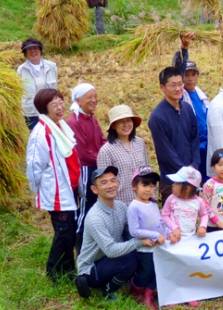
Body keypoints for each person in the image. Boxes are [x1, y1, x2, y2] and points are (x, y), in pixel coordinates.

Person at [75, 166, 154, 300]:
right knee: (130, 259)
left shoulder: (120, 206)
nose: (110, 185)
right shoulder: (95, 218)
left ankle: (132, 282)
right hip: (93, 265)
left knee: (139, 252)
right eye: (104, 183)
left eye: (113, 180)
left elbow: (133, 229)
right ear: (94, 189)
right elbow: (111, 250)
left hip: (110, 259)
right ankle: (106, 290)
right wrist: (139, 242)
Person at [26, 89, 80, 283]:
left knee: (70, 230)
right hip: (56, 192)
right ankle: (54, 272)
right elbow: (34, 166)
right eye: (54, 105)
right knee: (63, 233)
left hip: (69, 188)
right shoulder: (41, 133)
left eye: (61, 102)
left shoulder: (60, 126)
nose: (60, 107)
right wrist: (39, 190)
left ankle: (67, 268)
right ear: (44, 109)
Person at [148, 67, 200, 202]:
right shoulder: (157, 117)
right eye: (173, 85)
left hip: (191, 176)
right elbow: (165, 151)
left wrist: (194, 165)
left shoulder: (187, 109)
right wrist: (185, 171)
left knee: (190, 218)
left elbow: (195, 139)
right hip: (172, 179)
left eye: (180, 84)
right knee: (172, 221)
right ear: (162, 87)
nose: (178, 88)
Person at [66, 83, 107, 252]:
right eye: (89, 97)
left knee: (94, 204)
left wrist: (109, 152)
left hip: (96, 167)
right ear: (78, 99)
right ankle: (80, 243)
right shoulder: (73, 121)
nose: (94, 100)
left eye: (95, 96)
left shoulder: (91, 117)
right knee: (85, 205)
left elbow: (102, 139)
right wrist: (104, 159)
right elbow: (83, 153)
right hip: (85, 170)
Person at [161, 166, 207, 308]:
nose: (172, 186)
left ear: (187, 188)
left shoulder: (198, 202)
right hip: (174, 240)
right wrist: (174, 228)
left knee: (188, 268)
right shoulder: (171, 199)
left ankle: (189, 294)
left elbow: (204, 215)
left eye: (176, 183)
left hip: (190, 241)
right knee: (173, 268)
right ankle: (171, 294)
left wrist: (202, 226)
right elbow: (164, 215)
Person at [126, 166, 170, 310]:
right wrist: (156, 235)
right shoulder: (134, 207)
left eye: (152, 186)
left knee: (158, 271)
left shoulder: (152, 203)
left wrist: (168, 232)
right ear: (134, 186)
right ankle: (136, 288)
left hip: (159, 246)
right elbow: (134, 231)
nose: (148, 190)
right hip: (146, 248)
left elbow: (159, 222)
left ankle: (148, 295)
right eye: (144, 185)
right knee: (146, 272)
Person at [172, 32, 210, 182]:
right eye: (186, 75)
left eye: (193, 74)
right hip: (192, 148)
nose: (190, 78)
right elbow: (177, 69)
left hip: (207, 145)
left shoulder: (203, 97)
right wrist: (184, 48)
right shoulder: (181, 96)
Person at [97, 105, 149, 205]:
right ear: (113, 125)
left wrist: (152, 197)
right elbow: (103, 183)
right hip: (121, 204)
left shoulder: (140, 143)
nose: (126, 125)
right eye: (121, 121)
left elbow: (147, 171)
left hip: (143, 202)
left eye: (128, 120)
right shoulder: (106, 151)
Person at [17, 38, 58, 131]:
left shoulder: (52, 67)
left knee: (50, 136)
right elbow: (19, 92)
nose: (33, 51)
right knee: (35, 137)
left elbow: (55, 89)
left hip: (49, 110)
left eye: (35, 48)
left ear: (40, 50)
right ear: (25, 53)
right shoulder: (21, 70)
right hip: (31, 113)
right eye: (29, 49)